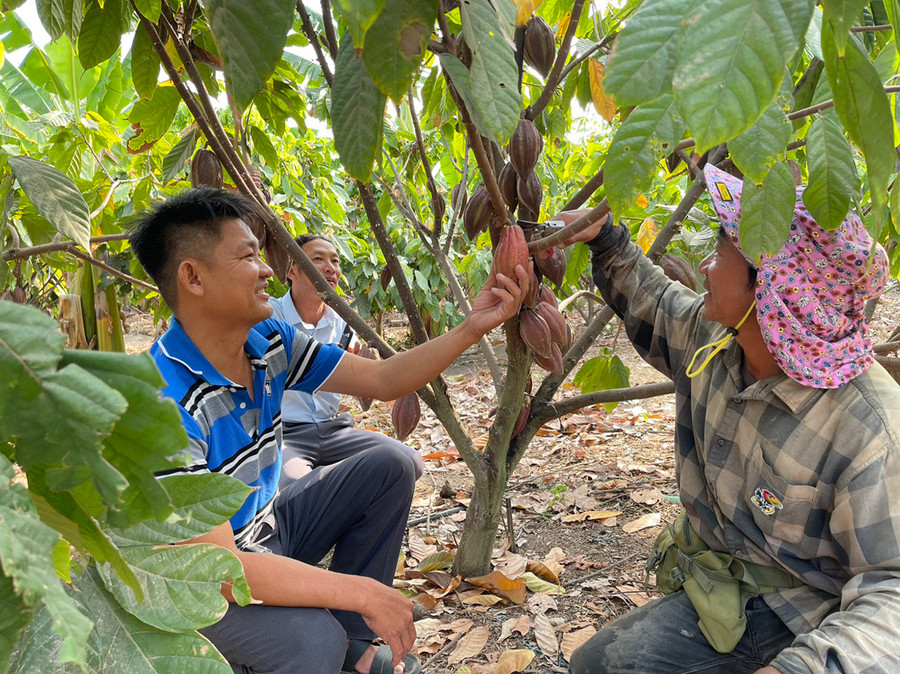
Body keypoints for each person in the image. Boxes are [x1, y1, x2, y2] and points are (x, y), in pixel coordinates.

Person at [128, 188, 528, 674]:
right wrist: (363, 592)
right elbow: (217, 571)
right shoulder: (159, 405)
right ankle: (311, 651)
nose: (267, 270)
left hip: (262, 534)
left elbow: (383, 379)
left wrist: (473, 326)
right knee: (312, 641)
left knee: (389, 465)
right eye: (248, 256)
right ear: (193, 277)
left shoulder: (267, 341)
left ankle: (353, 650)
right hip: (193, 587)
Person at [557, 164, 900, 674]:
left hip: (811, 614)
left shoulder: (870, 429)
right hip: (725, 585)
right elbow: (656, 302)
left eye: (720, 253)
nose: (704, 264)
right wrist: (604, 238)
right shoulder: (718, 341)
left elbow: (892, 590)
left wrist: (802, 667)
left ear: (773, 291)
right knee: (598, 665)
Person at [270, 234, 425, 485]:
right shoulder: (271, 316)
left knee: (409, 461)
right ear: (291, 270)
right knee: (295, 485)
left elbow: (371, 378)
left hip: (332, 430)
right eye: (317, 259)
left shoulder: (343, 324)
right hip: (284, 433)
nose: (330, 267)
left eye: (335, 261)